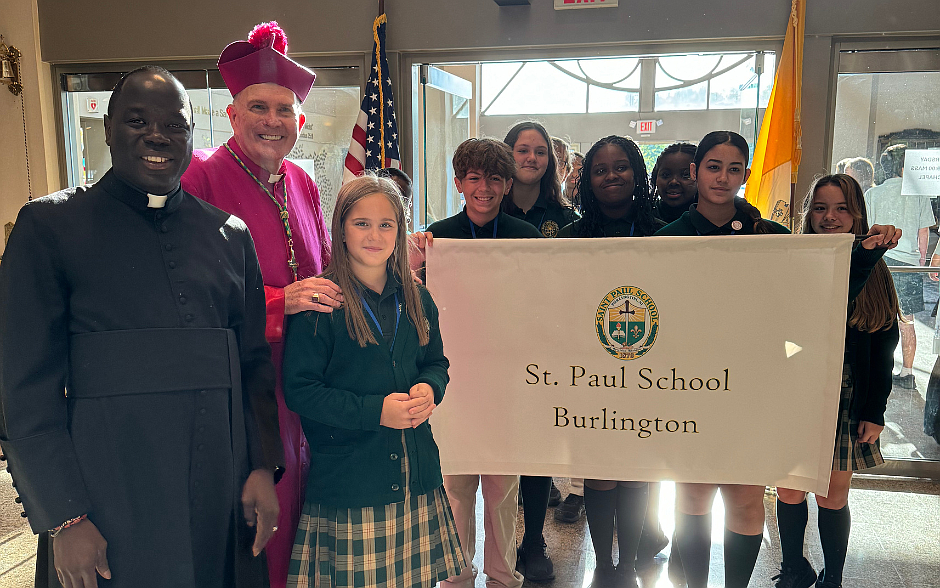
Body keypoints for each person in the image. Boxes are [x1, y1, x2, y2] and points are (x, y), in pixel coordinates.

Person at [0, 66, 283, 588]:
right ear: (108, 128)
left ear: (192, 137)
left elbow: (251, 366)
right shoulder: (48, 229)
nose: (158, 136)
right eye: (137, 121)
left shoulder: (229, 237)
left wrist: (264, 469)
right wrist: (64, 517)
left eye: (175, 125)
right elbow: (22, 388)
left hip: (218, 492)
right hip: (108, 501)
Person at [656, 131, 899, 588]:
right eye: (712, 166)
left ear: (746, 175)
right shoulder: (664, 239)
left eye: (733, 168)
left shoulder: (769, 236)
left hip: (754, 388)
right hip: (688, 386)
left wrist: (866, 257)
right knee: (691, 496)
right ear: (695, 171)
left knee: (748, 499)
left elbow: (818, 305)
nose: (722, 177)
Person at [181, 22, 339, 588]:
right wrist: (281, 302)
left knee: (305, 518)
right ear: (232, 114)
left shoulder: (301, 179)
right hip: (242, 389)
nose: (273, 121)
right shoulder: (200, 175)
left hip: (305, 383)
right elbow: (190, 295)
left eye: (284, 110)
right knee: (257, 525)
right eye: (259, 107)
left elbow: (323, 267)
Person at [282, 174, 464, 588]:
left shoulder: (418, 297)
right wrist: (375, 411)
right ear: (340, 230)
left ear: (400, 232)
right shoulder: (321, 304)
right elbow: (301, 390)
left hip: (417, 480)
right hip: (352, 485)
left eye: (386, 224)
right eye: (361, 223)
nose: (374, 235)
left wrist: (430, 387)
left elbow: (436, 362)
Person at [772, 174, 901, 588]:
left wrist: (874, 411)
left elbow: (883, 347)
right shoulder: (794, 257)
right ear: (808, 213)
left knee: (831, 494)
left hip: (848, 394)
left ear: (856, 212)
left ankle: (834, 578)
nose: (830, 217)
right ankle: (793, 568)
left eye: (841, 208)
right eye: (821, 208)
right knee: (790, 489)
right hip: (794, 391)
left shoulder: (875, 267)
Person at [426, 138, 540, 588]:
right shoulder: (438, 236)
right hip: (455, 379)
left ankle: (502, 576)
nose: (484, 188)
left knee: (501, 490)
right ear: (459, 182)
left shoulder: (526, 238)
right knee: (455, 488)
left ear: (508, 183)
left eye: (495, 178)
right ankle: (456, 575)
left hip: (507, 379)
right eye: (474, 177)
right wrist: (418, 255)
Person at [557, 136, 663, 588]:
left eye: (621, 167)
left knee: (636, 471)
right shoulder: (569, 238)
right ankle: (603, 563)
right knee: (600, 471)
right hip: (590, 373)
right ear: (587, 179)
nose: (612, 175)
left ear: (638, 174)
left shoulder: (666, 234)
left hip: (650, 369)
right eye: (600, 169)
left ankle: (631, 563)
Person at [864, 143, 935, 391]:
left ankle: (875, 367)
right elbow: (923, 233)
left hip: (880, 261)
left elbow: (867, 232)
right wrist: (921, 261)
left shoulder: (872, 195)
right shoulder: (918, 195)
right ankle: (907, 372)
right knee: (908, 321)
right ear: (905, 167)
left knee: (876, 316)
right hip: (909, 264)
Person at [502, 121, 580, 239]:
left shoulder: (569, 220)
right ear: (507, 155)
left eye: (540, 152)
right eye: (523, 151)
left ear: (549, 161)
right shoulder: (490, 215)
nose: (532, 158)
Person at [651, 142, 698, 225]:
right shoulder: (643, 219)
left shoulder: (711, 219)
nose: (673, 182)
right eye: (665, 175)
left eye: (685, 175)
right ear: (655, 177)